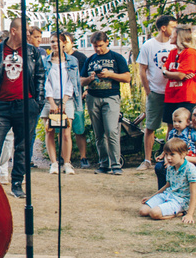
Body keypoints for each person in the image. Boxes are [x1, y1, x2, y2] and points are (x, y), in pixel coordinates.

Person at [0, 17, 47, 199]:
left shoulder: (32, 52)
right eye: (25, 31)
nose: (29, 35)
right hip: (0, 107)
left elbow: (40, 77)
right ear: (13, 31)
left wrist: (38, 103)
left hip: (26, 106)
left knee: (23, 148)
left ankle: (17, 183)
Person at [82, 31, 131, 174]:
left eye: (101, 45)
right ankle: (104, 164)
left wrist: (110, 74)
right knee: (99, 133)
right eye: (95, 46)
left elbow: (127, 77)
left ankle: (116, 164)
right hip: (92, 97)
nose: (98, 49)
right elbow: (80, 80)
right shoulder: (90, 59)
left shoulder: (116, 58)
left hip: (111, 97)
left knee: (111, 130)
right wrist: (89, 79)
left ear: (107, 42)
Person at [135, 15, 177, 171]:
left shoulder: (175, 45)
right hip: (155, 91)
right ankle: (147, 160)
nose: (175, 30)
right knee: (150, 126)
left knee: (172, 125)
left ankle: (168, 157)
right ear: (164, 28)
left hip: (172, 91)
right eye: (173, 26)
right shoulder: (149, 45)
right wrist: (148, 91)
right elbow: (142, 69)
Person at [43, 33, 80, 175]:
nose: (54, 44)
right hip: (50, 99)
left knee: (66, 133)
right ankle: (53, 163)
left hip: (67, 99)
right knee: (49, 130)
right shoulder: (45, 61)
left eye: (57, 42)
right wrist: (51, 102)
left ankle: (67, 163)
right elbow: (45, 83)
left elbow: (73, 82)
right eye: (52, 41)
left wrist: (64, 101)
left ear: (64, 43)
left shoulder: (72, 61)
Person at [140, 137, 196, 224]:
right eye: (166, 154)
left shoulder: (191, 170)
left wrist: (190, 214)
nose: (168, 158)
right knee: (143, 211)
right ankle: (165, 208)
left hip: (180, 200)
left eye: (172, 154)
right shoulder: (170, 167)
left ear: (183, 154)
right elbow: (167, 185)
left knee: (154, 213)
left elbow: (194, 193)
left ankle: (179, 213)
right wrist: (151, 197)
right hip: (168, 195)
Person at [154, 106, 196, 190]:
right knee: (162, 167)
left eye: (179, 122)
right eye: (174, 121)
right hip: (173, 155)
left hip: (187, 155)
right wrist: (163, 155)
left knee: (183, 170)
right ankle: (164, 189)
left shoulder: (191, 133)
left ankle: (182, 188)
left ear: (187, 122)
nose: (176, 124)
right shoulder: (172, 133)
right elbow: (168, 146)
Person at [64, 33, 91, 168]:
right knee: (61, 129)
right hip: (62, 99)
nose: (64, 44)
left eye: (66, 41)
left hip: (77, 99)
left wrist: (86, 90)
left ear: (72, 43)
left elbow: (87, 75)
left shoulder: (80, 58)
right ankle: (63, 158)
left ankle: (83, 156)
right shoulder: (57, 58)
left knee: (79, 129)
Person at [163, 24, 196, 118]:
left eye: (173, 34)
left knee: (184, 124)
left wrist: (168, 73)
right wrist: (169, 73)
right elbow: (164, 70)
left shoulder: (190, 52)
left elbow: (180, 75)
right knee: (171, 124)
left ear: (179, 36)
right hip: (171, 95)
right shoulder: (173, 52)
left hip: (185, 96)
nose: (171, 36)